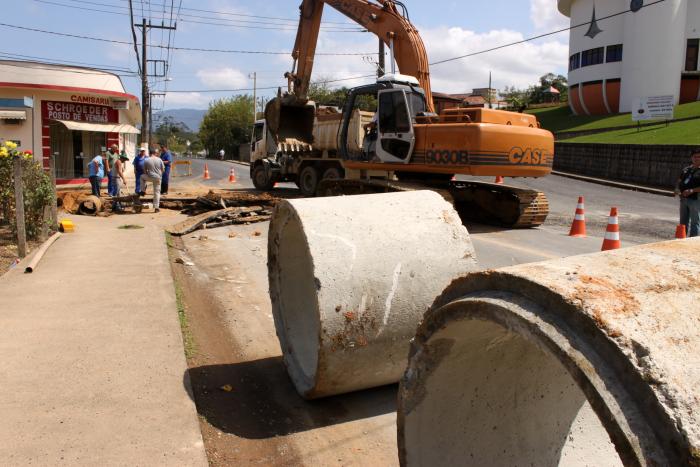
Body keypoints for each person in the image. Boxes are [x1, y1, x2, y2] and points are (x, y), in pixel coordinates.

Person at [675, 149, 700, 237]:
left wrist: (692, 190)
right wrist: (677, 189)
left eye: (699, 157)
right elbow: (679, 180)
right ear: (691, 158)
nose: (697, 159)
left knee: (695, 222)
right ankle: (681, 240)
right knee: (683, 221)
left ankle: (692, 242)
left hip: (696, 200)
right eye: (695, 157)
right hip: (684, 198)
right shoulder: (686, 169)